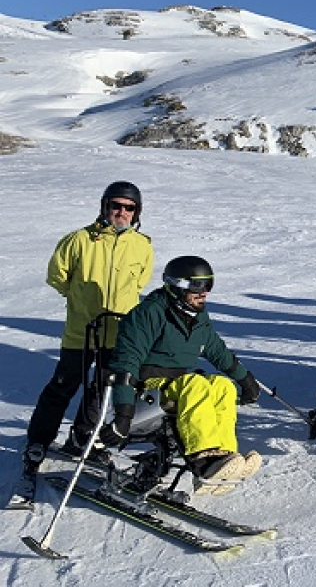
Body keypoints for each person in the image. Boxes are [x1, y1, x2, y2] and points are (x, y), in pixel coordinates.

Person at [21, 181, 154, 487]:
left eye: (128, 207)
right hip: (81, 330)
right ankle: (39, 440)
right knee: (62, 387)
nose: (121, 212)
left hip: (118, 333)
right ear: (105, 206)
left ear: (136, 212)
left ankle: (82, 438)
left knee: (101, 390)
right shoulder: (80, 240)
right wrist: (80, 299)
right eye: (115, 205)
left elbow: (139, 282)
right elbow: (58, 276)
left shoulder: (142, 245)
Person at [101, 256, 262, 493]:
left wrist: (243, 378)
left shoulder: (197, 317)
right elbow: (126, 363)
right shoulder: (149, 314)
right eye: (197, 286)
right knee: (195, 385)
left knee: (221, 386)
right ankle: (204, 461)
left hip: (177, 384)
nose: (204, 292)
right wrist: (123, 413)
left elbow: (217, 350)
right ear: (176, 285)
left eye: (209, 284)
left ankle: (225, 458)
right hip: (146, 390)